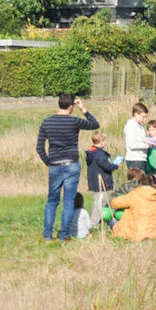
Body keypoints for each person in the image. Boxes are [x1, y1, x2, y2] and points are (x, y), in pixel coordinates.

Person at [36, 92, 99, 241]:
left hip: (55, 165)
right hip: (72, 164)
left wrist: (49, 162)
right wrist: (82, 108)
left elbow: (39, 148)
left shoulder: (47, 122)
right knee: (69, 202)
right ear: (71, 106)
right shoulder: (74, 121)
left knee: (52, 201)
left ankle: (47, 235)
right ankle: (64, 235)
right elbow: (95, 124)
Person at [109, 175, 156, 240]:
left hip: (137, 233)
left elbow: (114, 203)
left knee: (113, 221)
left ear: (139, 184)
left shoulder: (134, 194)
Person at [84, 132, 121, 232]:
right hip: (101, 181)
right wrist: (115, 165)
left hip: (95, 182)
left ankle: (103, 220)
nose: (105, 142)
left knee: (101, 201)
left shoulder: (91, 152)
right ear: (101, 142)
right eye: (104, 140)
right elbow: (106, 166)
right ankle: (94, 224)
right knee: (99, 202)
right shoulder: (99, 154)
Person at [122, 101, 151, 179]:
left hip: (140, 158)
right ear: (135, 114)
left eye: (146, 117)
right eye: (143, 116)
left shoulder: (139, 126)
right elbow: (132, 145)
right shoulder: (131, 126)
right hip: (135, 159)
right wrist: (147, 145)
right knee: (138, 184)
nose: (144, 119)